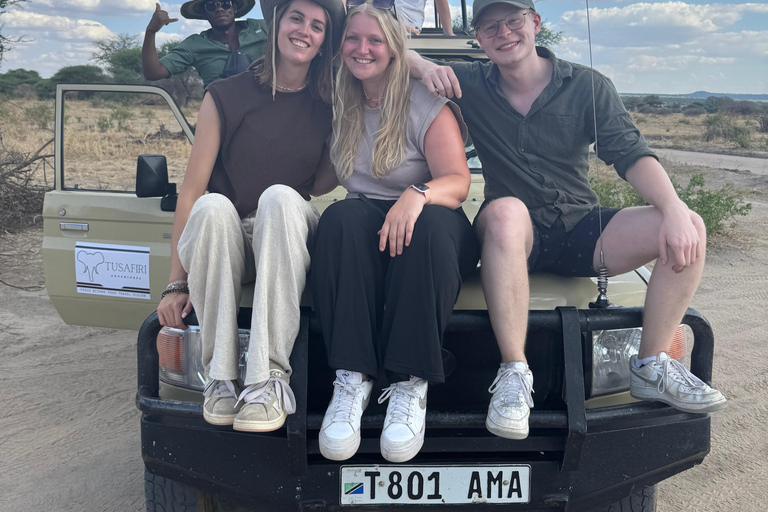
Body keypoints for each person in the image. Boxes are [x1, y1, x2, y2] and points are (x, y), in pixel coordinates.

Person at [407, 0, 726, 440]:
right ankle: (515, 374)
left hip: (580, 227)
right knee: (504, 211)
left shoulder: (588, 86)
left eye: (513, 21)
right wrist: (423, 65)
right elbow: (392, 52)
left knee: (689, 224)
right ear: (477, 39)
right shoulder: (469, 82)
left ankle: (652, 363)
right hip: (514, 234)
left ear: (535, 23)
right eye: (490, 27)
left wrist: (672, 209)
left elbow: (630, 153)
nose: (504, 33)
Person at [156, 0, 345, 433]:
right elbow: (190, 192)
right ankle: (220, 378)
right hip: (232, 240)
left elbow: (318, 185)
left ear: (323, 41)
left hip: (288, 231)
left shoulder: (331, 101)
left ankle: (268, 379)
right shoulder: (226, 94)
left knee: (278, 198)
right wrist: (176, 283)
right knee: (211, 205)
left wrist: (346, 133)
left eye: (317, 26)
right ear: (277, 23)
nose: (305, 31)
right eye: (296, 18)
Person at [310, 0, 479, 463]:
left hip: (432, 221)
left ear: (395, 48)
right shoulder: (340, 101)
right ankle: (351, 380)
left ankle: (409, 385)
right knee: (339, 219)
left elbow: (460, 183)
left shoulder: (424, 100)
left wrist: (417, 194)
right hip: (369, 223)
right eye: (352, 38)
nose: (362, 49)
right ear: (341, 44)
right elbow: (323, 179)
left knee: (427, 229)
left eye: (375, 40)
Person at [143, 0, 268, 88]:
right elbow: (153, 73)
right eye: (211, 6)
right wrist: (151, 32)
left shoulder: (262, 28)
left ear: (234, 8)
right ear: (204, 13)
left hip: (264, 107)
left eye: (225, 4)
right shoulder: (194, 45)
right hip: (220, 112)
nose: (219, 9)